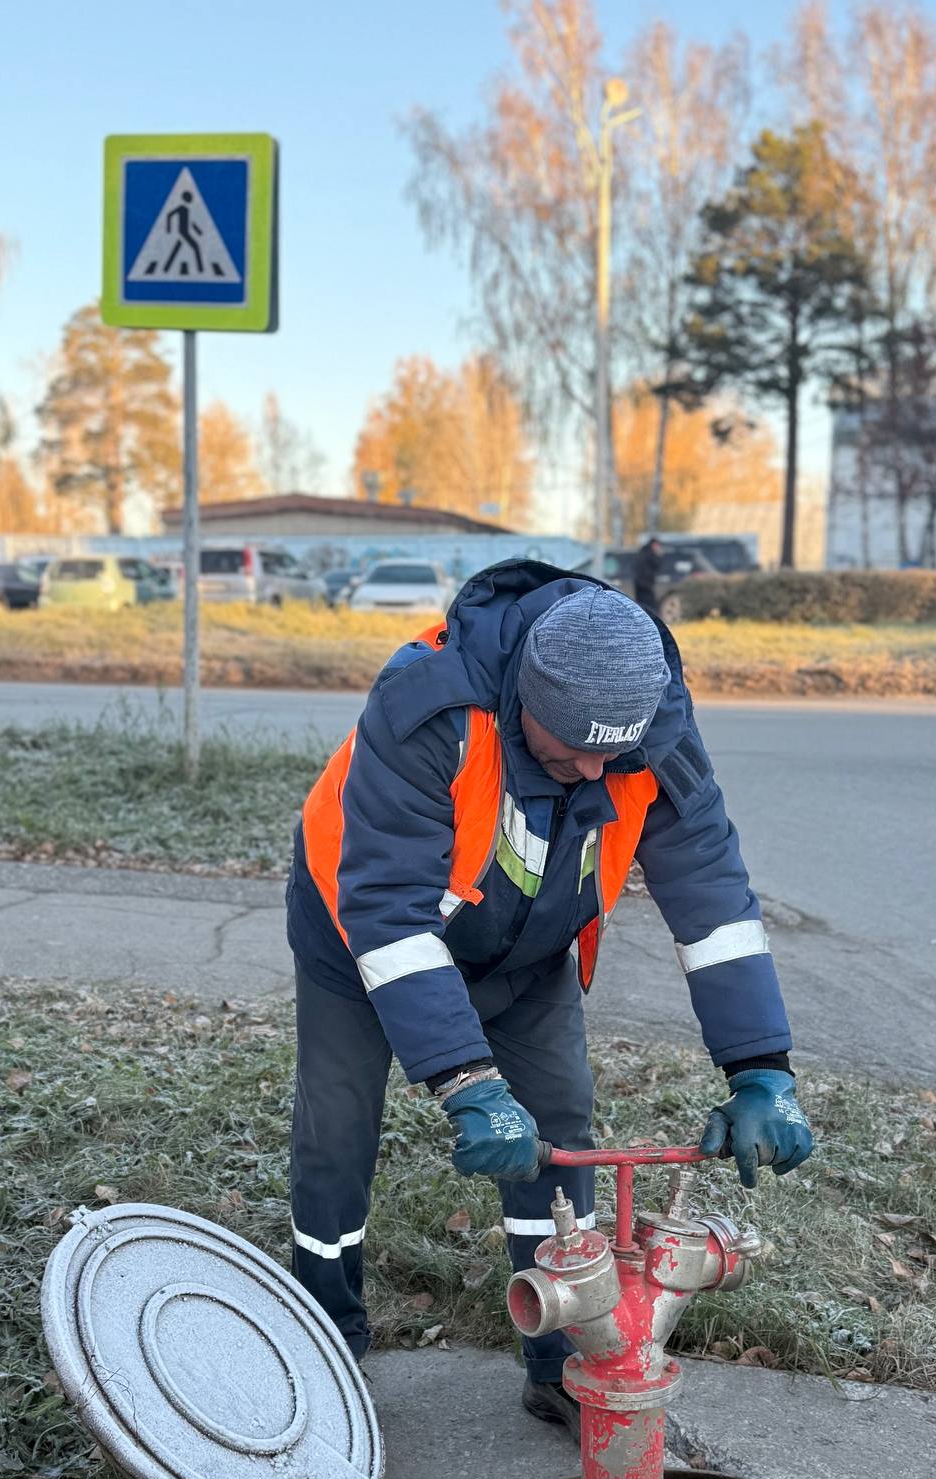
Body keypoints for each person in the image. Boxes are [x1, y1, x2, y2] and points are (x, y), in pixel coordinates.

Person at [287, 561, 812, 1425]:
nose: (590, 772)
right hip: (359, 931)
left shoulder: (653, 735)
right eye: (566, 752)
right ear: (521, 696)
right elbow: (386, 912)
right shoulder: (429, 707)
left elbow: (711, 900)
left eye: (612, 756)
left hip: (526, 950)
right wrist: (466, 1082)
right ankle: (325, 1334)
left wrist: (762, 1069)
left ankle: (562, 1360)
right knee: (338, 1132)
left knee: (559, 1134)